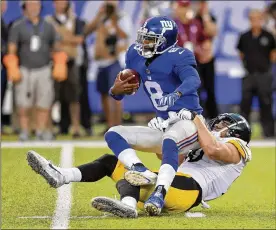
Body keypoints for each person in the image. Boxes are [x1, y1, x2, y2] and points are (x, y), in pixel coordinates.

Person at [26, 112, 252, 218]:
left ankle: (129, 205)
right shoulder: (208, 141)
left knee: (135, 175)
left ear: (235, 131)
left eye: (223, 123)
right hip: (177, 186)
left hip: (189, 189)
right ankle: (61, 175)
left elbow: (213, 150)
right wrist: (166, 133)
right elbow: (170, 158)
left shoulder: (237, 145)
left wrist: (195, 120)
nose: (216, 123)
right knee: (111, 162)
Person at [104, 15, 203, 216]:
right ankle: (140, 170)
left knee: (170, 139)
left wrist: (175, 94)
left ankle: (159, 193)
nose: (143, 43)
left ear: (164, 41)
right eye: (143, 37)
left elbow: (193, 80)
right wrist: (116, 90)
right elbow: (125, 87)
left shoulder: (180, 55)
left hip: (189, 123)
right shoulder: (135, 53)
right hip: (164, 123)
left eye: (150, 39)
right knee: (113, 133)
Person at [4, 0, 67, 141]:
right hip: (25, 69)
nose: (33, 7)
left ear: (40, 7)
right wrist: (13, 67)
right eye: (30, 5)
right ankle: (25, 131)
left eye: (36, 5)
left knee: (43, 102)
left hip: (44, 68)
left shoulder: (48, 26)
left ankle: (40, 131)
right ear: (24, 8)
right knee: (23, 104)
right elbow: (12, 48)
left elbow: (56, 46)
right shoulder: (17, 26)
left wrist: (59, 63)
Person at [84, 0, 131, 134]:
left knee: (116, 95)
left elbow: (125, 35)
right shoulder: (100, 17)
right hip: (100, 62)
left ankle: (118, 126)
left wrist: (114, 21)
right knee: (104, 95)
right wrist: (99, 16)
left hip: (114, 62)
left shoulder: (122, 17)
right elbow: (87, 31)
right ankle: (109, 125)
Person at [173, 0, 218, 119]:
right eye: (182, 7)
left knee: (197, 92)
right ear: (176, 8)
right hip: (178, 64)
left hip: (195, 63)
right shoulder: (172, 25)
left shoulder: (196, 23)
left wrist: (206, 47)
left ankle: (200, 119)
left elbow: (206, 38)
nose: (184, 10)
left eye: (186, 7)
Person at [45, 0, 83, 138]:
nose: (61, 4)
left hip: (70, 62)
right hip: (55, 62)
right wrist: (67, 39)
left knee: (74, 97)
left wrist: (61, 39)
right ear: (54, 4)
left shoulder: (74, 19)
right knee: (51, 96)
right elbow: (48, 41)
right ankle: (48, 128)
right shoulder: (49, 20)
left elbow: (79, 39)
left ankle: (76, 128)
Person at [236, 9, 276, 138]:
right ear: (250, 20)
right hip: (249, 75)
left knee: (266, 103)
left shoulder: (268, 36)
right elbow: (241, 53)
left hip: (264, 75)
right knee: (245, 104)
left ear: (262, 20)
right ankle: (243, 134)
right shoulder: (244, 36)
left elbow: (273, 54)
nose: (255, 21)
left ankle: (268, 133)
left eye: (258, 18)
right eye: (252, 19)